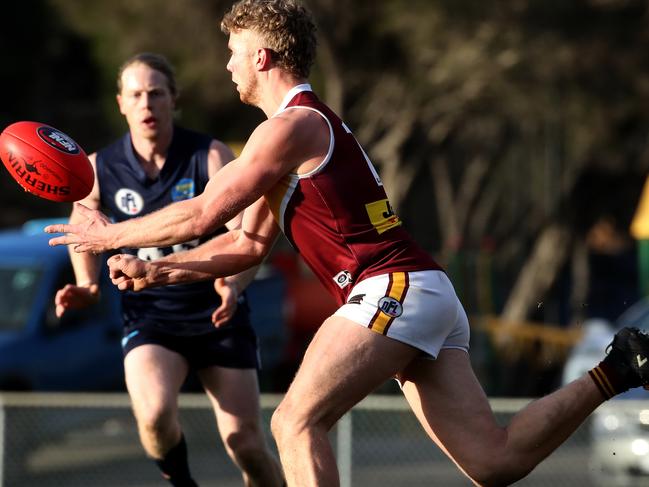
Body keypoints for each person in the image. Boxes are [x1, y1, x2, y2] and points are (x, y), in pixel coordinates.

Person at [46, 2, 649, 486]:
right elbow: (246, 244)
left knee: (293, 421)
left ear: (262, 55)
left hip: (390, 289)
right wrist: (159, 273)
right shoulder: (290, 131)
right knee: (494, 463)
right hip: (422, 289)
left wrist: (106, 234)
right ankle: (617, 370)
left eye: (233, 54)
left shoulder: (293, 124)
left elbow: (206, 208)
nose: (227, 66)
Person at [51, 52, 283, 487]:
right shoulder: (99, 168)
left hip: (219, 313)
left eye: (156, 93)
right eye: (136, 94)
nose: (146, 104)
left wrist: (233, 283)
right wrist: (86, 285)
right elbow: (81, 222)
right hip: (152, 314)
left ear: (173, 99)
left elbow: (246, 238)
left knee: (246, 445)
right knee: (155, 415)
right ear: (120, 102)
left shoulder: (209, 156)